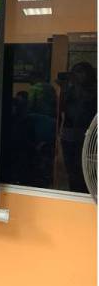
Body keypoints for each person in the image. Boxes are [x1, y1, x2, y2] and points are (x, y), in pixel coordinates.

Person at [60, 62, 97, 192]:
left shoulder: (94, 91)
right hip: (68, 134)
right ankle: (74, 192)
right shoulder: (70, 90)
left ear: (89, 74)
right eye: (75, 72)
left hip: (87, 136)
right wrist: (65, 89)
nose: (77, 75)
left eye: (80, 72)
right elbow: (64, 109)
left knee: (84, 168)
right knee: (71, 169)